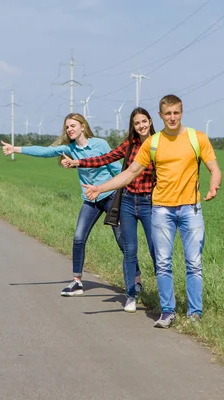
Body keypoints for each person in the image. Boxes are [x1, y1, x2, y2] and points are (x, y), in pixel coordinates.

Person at [82, 94, 222, 328]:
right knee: (164, 262)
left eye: (176, 112)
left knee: (194, 263)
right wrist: (100, 188)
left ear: (182, 112)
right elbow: (130, 172)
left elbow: (214, 168)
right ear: (160, 115)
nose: (172, 117)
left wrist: (213, 185)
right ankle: (168, 311)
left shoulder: (197, 138)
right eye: (167, 113)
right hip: (161, 210)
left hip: (191, 209)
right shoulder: (153, 142)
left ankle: (194, 312)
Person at [0, 113, 124, 297]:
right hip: (90, 199)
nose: (69, 129)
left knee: (123, 240)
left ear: (83, 126)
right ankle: (77, 282)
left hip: (110, 196)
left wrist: (124, 194)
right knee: (78, 238)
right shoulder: (70, 149)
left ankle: (136, 281)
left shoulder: (100, 144)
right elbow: (44, 151)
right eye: (67, 127)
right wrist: (16, 149)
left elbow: (117, 170)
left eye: (73, 125)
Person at [61, 107, 156, 313]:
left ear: (150, 121)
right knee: (128, 249)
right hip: (129, 200)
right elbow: (106, 158)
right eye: (136, 123)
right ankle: (131, 293)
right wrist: (79, 162)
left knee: (156, 250)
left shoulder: (159, 143)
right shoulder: (130, 145)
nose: (140, 126)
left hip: (150, 202)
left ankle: (165, 299)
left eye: (143, 121)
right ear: (133, 126)